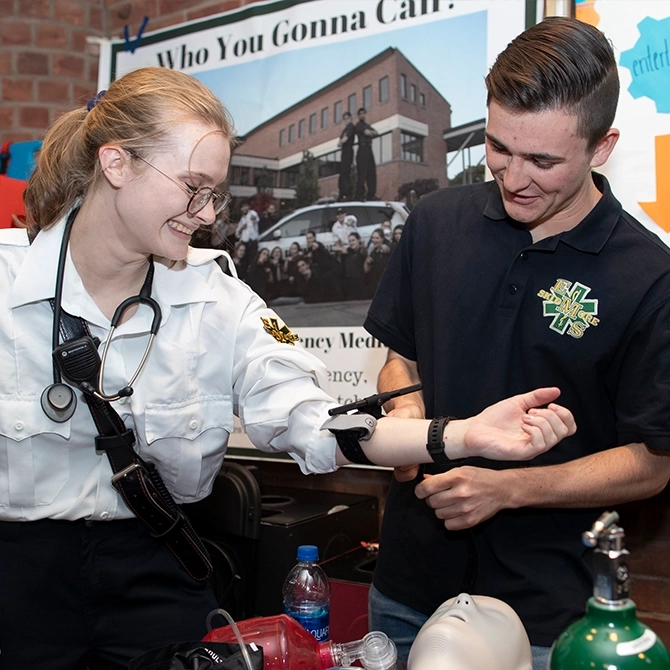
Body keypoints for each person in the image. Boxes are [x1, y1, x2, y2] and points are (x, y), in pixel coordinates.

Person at [0, 65, 577, 669]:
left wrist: (461, 433)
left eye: (216, 193)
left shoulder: (217, 297)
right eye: (193, 186)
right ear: (116, 164)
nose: (206, 213)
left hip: (156, 574)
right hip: (20, 586)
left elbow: (315, 420)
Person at [363, 17, 670, 670]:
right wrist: (407, 414)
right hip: (405, 589)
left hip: (545, 612)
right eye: (499, 149)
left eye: (543, 161)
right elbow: (400, 359)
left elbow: (654, 460)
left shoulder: (649, 277)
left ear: (602, 145)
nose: (514, 177)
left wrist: (511, 488)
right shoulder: (436, 224)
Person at [354, 107, 379, 201]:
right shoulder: (358, 125)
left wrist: (370, 133)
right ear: (358, 115)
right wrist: (370, 133)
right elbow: (367, 133)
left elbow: (376, 133)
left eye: (364, 113)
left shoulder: (367, 125)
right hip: (362, 148)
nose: (362, 115)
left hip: (369, 148)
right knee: (362, 173)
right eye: (361, 114)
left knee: (372, 172)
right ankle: (360, 195)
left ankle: (371, 194)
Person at [364, 227, 392, 298]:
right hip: (376, 281)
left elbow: (387, 249)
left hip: (387, 280)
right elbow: (366, 270)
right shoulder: (373, 252)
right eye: (373, 238)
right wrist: (367, 262)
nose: (374, 240)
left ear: (382, 239)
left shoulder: (387, 246)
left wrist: (383, 247)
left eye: (377, 238)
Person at [338, 111, 355, 201]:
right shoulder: (345, 129)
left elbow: (345, 138)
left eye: (347, 118)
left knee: (345, 173)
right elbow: (340, 140)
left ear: (351, 118)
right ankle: (342, 193)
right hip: (344, 151)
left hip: (348, 150)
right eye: (345, 119)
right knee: (342, 173)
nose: (346, 120)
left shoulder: (350, 127)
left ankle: (347, 194)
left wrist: (341, 142)